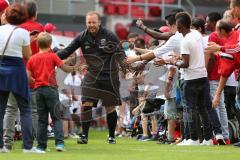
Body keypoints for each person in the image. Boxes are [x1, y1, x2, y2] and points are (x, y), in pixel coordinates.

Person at [57, 11, 126, 144]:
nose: (91, 25)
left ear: (99, 22)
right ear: (86, 23)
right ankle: (84, 136)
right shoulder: (82, 36)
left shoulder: (109, 35)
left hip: (109, 76)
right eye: (89, 22)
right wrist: (50, 56)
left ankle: (112, 136)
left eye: (94, 22)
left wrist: (126, 68)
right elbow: (67, 51)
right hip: (91, 76)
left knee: (110, 107)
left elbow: (120, 53)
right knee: (86, 105)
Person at [27, 32, 79, 153]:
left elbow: (28, 76)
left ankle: (41, 146)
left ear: (37, 44)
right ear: (50, 44)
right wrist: (75, 67)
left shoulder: (32, 58)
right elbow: (64, 68)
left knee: (41, 119)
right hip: (51, 89)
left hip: (38, 90)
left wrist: (36, 82)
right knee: (56, 117)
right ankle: (59, 144)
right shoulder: (52, 56)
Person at [3, 0, 44, 150]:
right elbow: (33, 54)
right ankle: (29, 144)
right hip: (26, 73)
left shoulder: (8, 29)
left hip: (5, 72)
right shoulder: (35, 29)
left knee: (8, 109)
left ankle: (6, 142)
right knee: (30, 109)